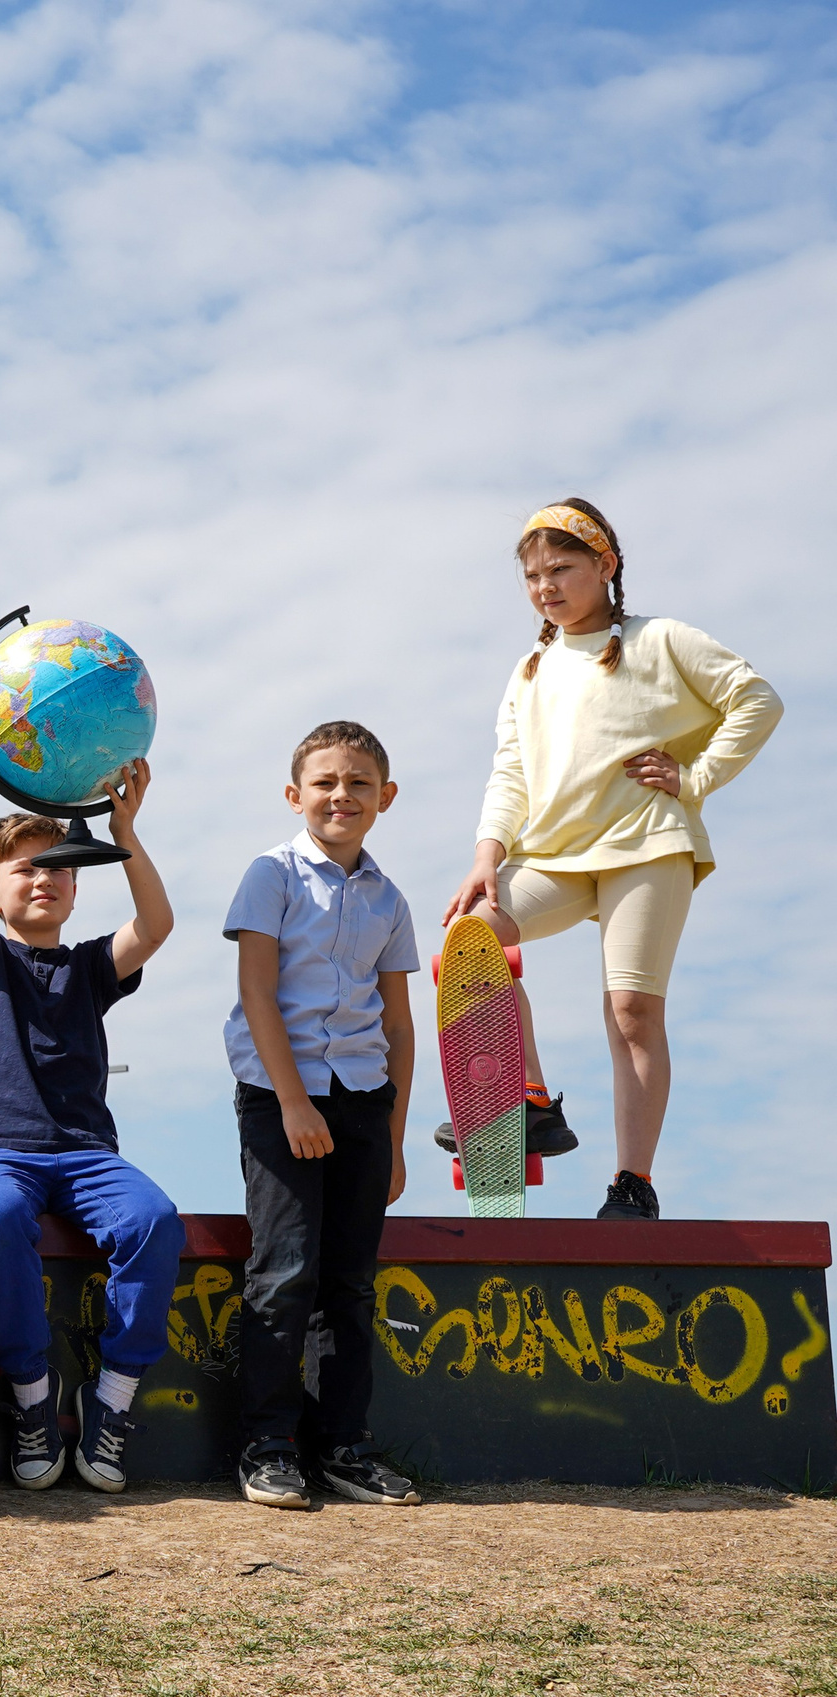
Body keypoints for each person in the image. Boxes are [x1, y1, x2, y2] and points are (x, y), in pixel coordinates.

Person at [442, 500, 781, 1221]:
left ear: (606, 565)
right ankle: (531, 1103)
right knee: (472, 936)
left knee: (630, 1011)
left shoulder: (661, 639)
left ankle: (633, 1183)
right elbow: (510, 772)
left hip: (646, 844)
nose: (546, 587)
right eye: (532, 575)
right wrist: (487, 852)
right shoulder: (530, 669)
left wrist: (695, 780)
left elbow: (756, 698)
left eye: (561, 569)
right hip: (554, 854)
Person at [0, 703, 178, 1493]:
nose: (44, 878)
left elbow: (156, 921)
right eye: (25, 870)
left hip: (83, 1152)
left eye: (61, 868)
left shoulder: (88, 966)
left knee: (153, 1219)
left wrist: (126, 833)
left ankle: (111, 1401)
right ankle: (33, 1397)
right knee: (1, 1217)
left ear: (77, 887)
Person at [223, 722, 422, 1510]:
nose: (342, 795)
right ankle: (268, 1444)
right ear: (295, 794)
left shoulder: (390, 898)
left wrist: (396, 1138)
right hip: (283, 1096)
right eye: (326, 782)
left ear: (385, 797)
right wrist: (298, 1102)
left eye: (360, 783)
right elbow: (256, 993)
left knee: (350, 1284)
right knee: (284, 1273)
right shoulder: (271, 875)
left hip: (365, 1103)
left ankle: (343, 1446)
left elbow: (400, 1025)